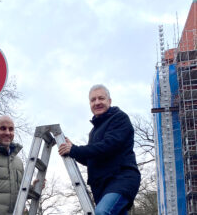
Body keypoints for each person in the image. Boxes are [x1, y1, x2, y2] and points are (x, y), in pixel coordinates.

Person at [58, 84, 141, 215]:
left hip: (121, 179)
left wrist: (75, 149)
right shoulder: (94, 131)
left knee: (102, 212)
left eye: (101, 98)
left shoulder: (119, 118)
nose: (97, 102)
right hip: (102, 186)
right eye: (93, 100)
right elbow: (93, 158)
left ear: (109, 101)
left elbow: (108, 146)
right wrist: (72, 150)